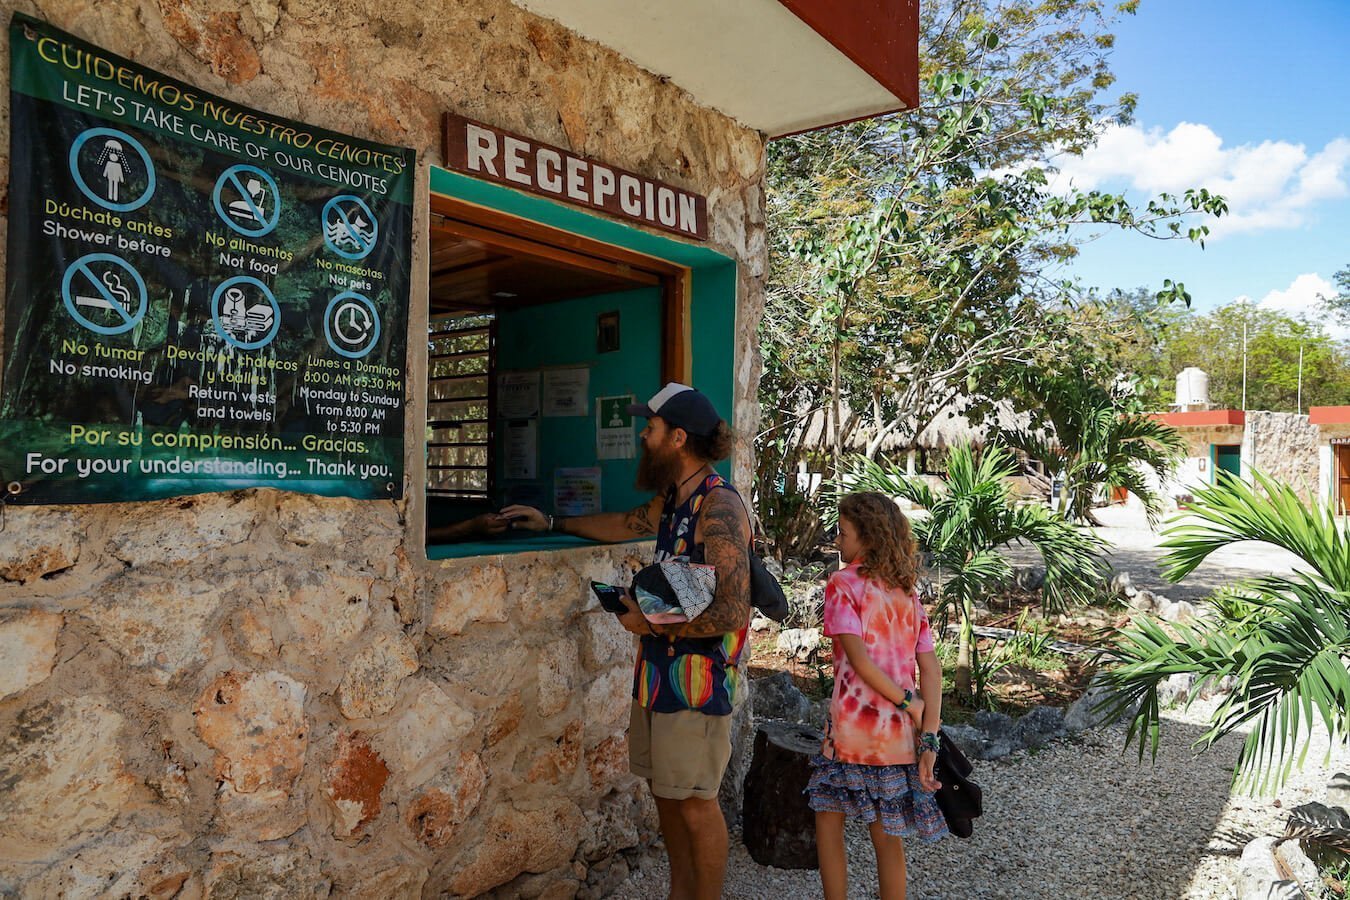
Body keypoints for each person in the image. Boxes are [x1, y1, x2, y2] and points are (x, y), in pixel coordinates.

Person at [503, 382, 750, 900]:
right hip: (657, 677)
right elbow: (624, 523)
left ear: (678, 437)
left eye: (652, 427)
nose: (643, 435)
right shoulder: (673, 498)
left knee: (696, 803)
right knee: (666, 793)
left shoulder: (719, 504)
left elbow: (731, 609)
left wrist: (653, 624)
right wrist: (551, 521)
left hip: (697, 687)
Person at [807, 492, 947, 900]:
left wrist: (910, 702)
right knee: (888, 841)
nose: (837, 541)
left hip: (850, 736)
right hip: (897, 740)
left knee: (828, 823)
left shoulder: (843, 584)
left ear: (866, 537)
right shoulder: (907, 592)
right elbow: (932, 670)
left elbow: (861, 664)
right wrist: (929, 735)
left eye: (842, 532)